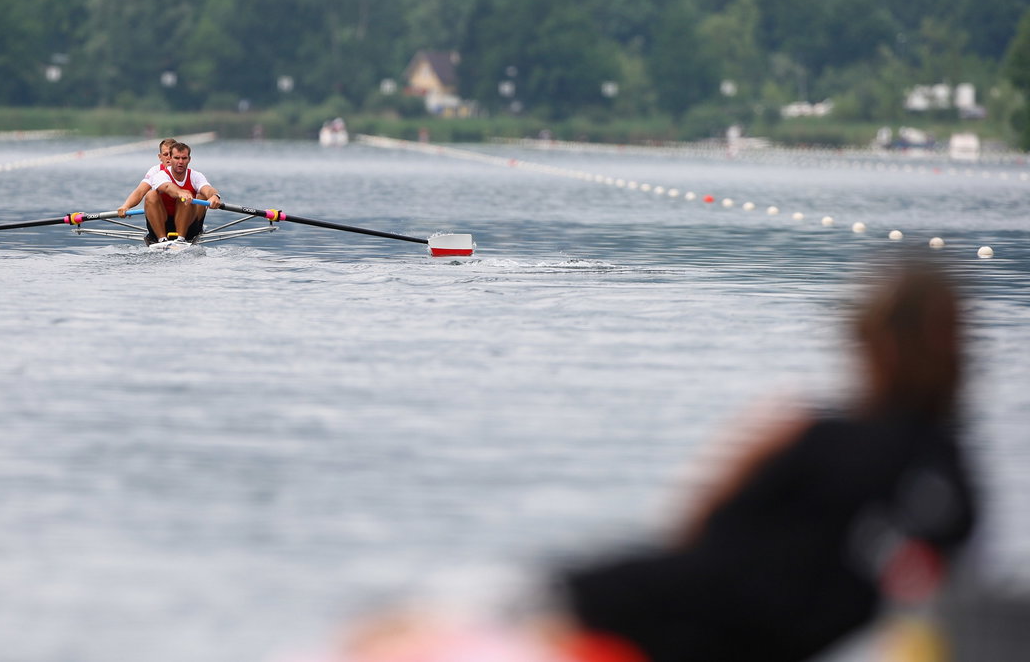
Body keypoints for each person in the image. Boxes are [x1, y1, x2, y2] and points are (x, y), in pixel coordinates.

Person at [282, 256, 977, 662]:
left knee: (390, 629)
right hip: (751, 637)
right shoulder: (952, 482)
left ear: (870, 349)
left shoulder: (808, 433)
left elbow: (699, 523)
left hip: (664, 610)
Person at [554, 255, 977, 662]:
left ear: (870, 343)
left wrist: (755, 453)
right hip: (772, 633)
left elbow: (696, 531)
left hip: (668, 623)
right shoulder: (950, 478)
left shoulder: (814, 439)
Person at [140, 141, 222, 245]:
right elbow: (167, 187)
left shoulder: (196, 176)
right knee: (151, 195)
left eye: (184, 158)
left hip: (188, 227)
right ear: (170, 158)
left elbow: (208, 188)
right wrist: (180, 192)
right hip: (163, 223)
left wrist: (215, 196)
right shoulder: (160, 175)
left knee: (200, 195)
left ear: (189, 160)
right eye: (177, 158)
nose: (180, 162)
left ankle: (181, 239)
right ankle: (162, 239)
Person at [116, 137, 176, 232]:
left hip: (182, 218)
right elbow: (140, 191)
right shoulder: (155, 171)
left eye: (171, 154)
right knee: (151, 195)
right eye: (165, 154)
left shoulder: (184, 171)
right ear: (160, 157)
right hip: (161, 217)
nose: (168, 157)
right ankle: (161, 237)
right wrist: (126, 206)